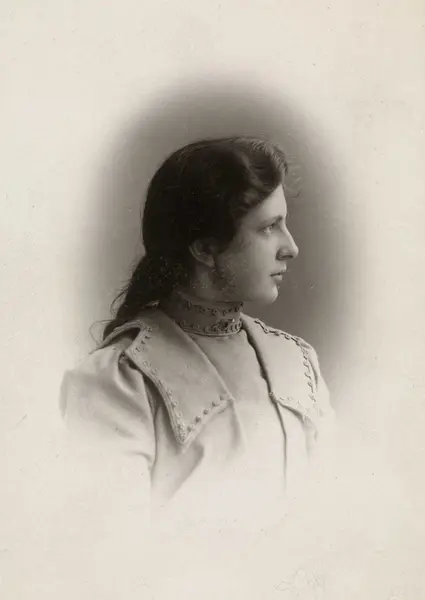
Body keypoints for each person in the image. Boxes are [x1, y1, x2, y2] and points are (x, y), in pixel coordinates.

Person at [60, 136, 335, 532]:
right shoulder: (118, 382)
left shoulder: (299, 362)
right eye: (269, 227)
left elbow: (332, 520)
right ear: (205, 249)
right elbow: (113, 554)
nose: (290, 247)